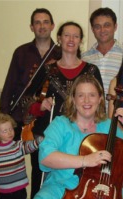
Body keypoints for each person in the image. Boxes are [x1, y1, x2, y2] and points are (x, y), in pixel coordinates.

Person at [26, 21, 104, 189]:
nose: (71, 39)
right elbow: (28, 101)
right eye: (67, 35)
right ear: (59, 38)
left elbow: (100, 105)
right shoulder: (46, 69)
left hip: (83, 139)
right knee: (42, 189)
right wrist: (40, 105)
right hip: (49, 136)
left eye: (76, 36)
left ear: (80, 40)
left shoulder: (91, 70)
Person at [0, 8, 61, 199]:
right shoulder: (22, 52)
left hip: (45, 119)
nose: (42, 26)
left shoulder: (60, 53)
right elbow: (10, 84)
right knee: (7, 165)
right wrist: (4, 117)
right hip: (18, 116)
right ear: (31, 27)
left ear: (52, 25)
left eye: (45, 22)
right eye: (37, 22)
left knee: (39, 166)